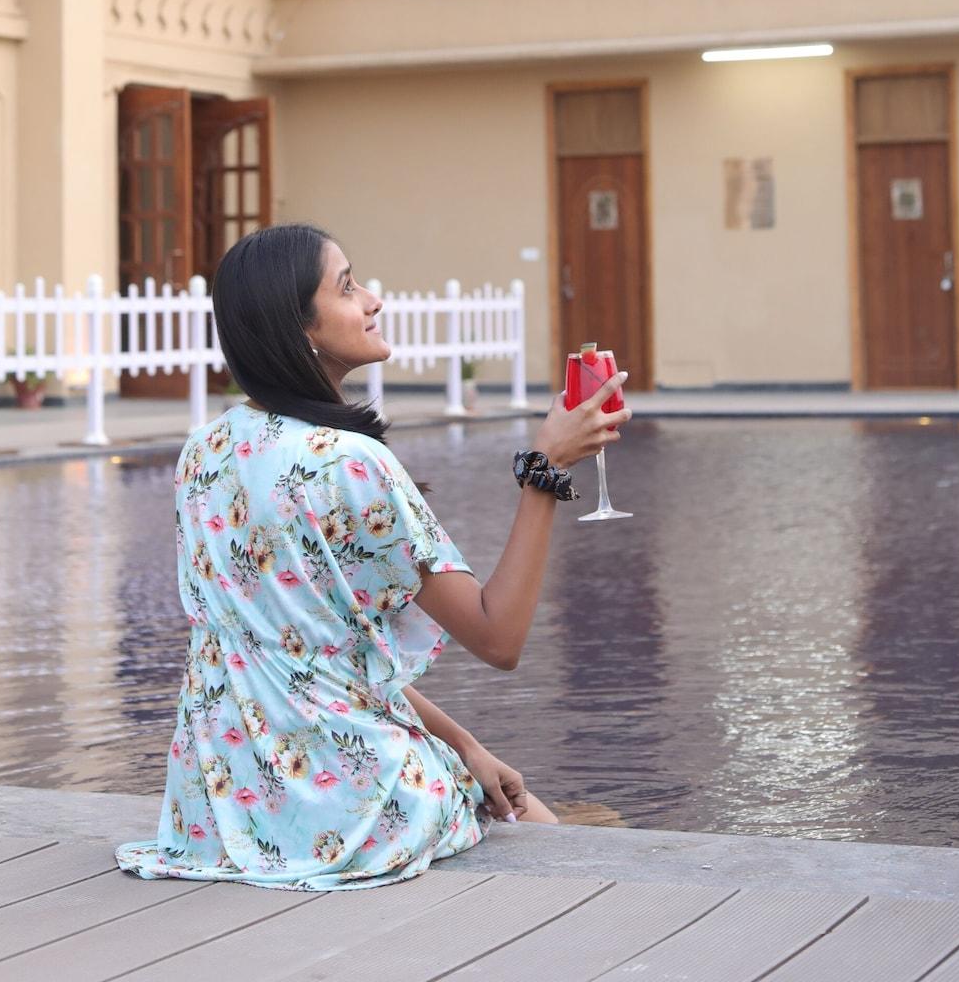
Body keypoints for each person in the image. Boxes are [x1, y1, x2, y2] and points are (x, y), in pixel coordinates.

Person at [115, 222, 629, 891]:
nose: (373, 299)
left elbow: (302, 654)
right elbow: (498, 637)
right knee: (539, 825)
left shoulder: (205, 451)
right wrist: (545, 469)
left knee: (506, 792)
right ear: (298, 327)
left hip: (220, 803)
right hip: (345, 806)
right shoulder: (346, 462)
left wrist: (465, 744)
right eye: (347, 287)